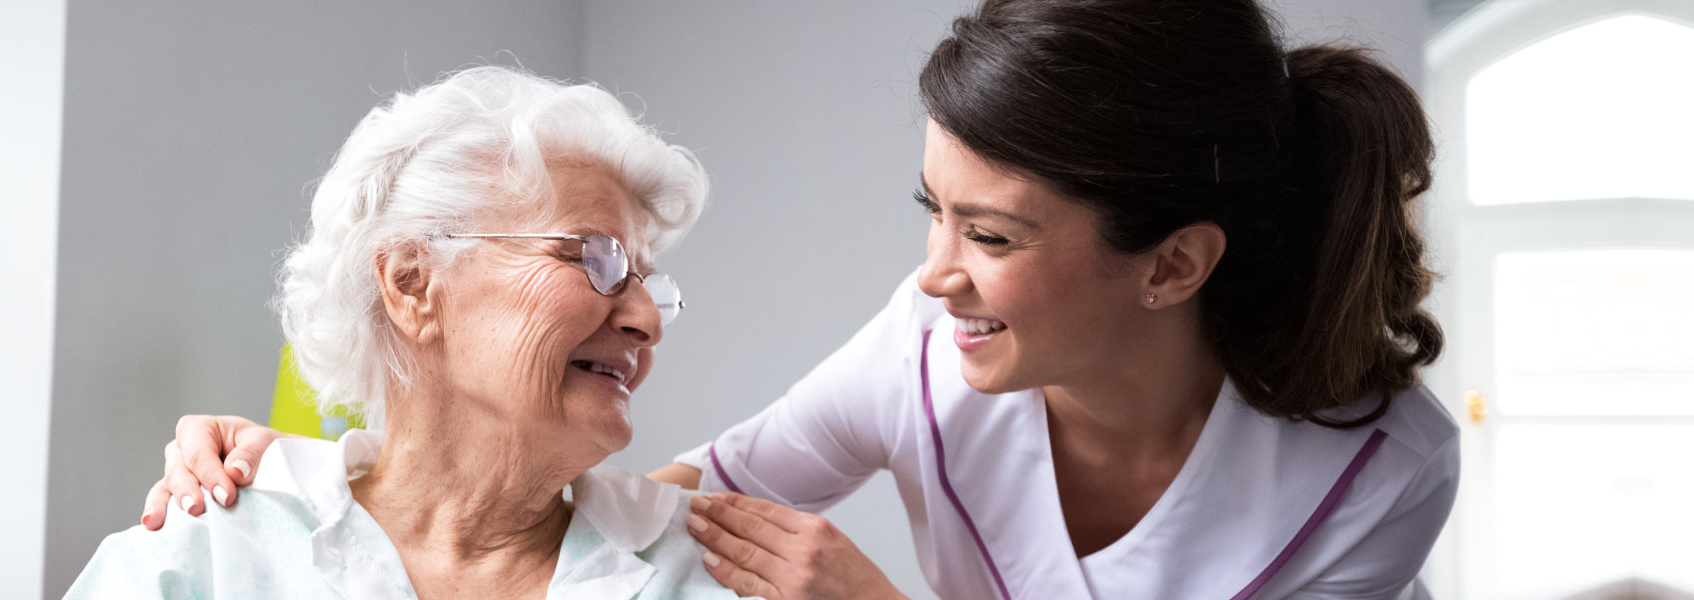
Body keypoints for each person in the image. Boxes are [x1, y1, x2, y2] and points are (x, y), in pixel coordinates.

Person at [145, 0, 1458, 598]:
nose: (935, 272)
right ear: (410, 285)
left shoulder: (1375, 477)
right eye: (930, 213)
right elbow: (672, 505)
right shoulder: (201, 551)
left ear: (1173, 266)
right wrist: (325, 480)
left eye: (989, 233)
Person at [67, 65, 749, 599]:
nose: (647, 321)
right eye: (597, 260)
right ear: (412, 284)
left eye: (647, 282)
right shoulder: (199, 563)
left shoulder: (719, 577)